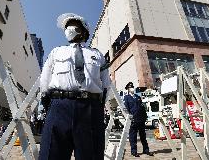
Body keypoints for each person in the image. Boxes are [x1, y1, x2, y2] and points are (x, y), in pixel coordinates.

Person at [39, 13, 111, 160]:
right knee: (51, 154)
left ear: (84, 30)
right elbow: (45, 81)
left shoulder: (97, 55)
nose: (69, 28)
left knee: (90, 156)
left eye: (73, 24)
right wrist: (50, 104)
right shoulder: (56, 52)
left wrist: (96, 106)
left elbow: (105, 85)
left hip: (90, 109)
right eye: (67, 26)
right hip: (59, 107)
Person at [123, 82, 153, 157]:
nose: (132, 89)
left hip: (141, 119)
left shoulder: (137, 96)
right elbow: (126, 109)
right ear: (128, 89)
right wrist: (129, 118)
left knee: (143, 136)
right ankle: (134, 151)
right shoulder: (126, 98)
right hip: (133, 120)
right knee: (133, 137)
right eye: (130, 88)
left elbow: (142, 107)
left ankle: (146, 150)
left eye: (132, 87)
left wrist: (145, 117)